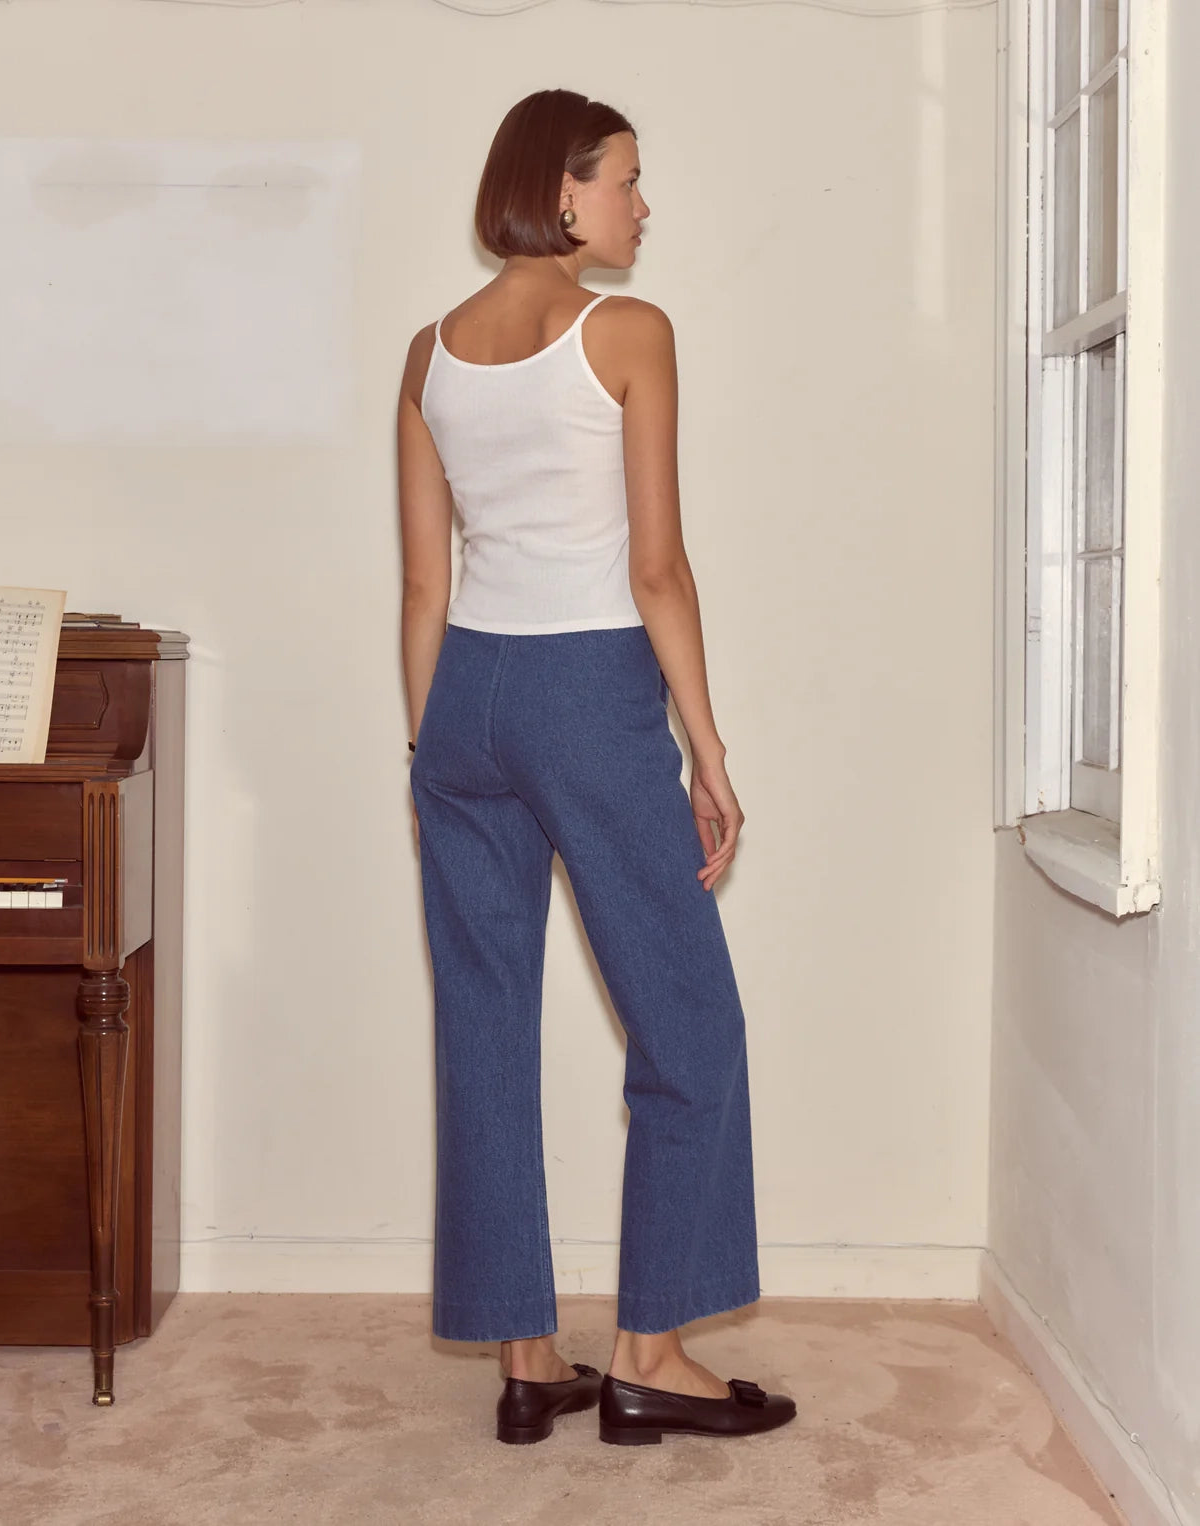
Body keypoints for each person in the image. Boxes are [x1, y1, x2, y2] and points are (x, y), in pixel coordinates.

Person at [396, 88, 796, 1448]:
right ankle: (650, 1352)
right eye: (627, 178)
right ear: (561, 192)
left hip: (464, 705)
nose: (641, 203)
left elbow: (420, 583)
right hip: (588, 689)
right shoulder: (626, 331)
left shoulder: (429, 352)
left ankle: (528, 1357)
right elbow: (657, 566)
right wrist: (708, 740)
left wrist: (429, 749)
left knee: (487, 1025)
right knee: (689, 1019)